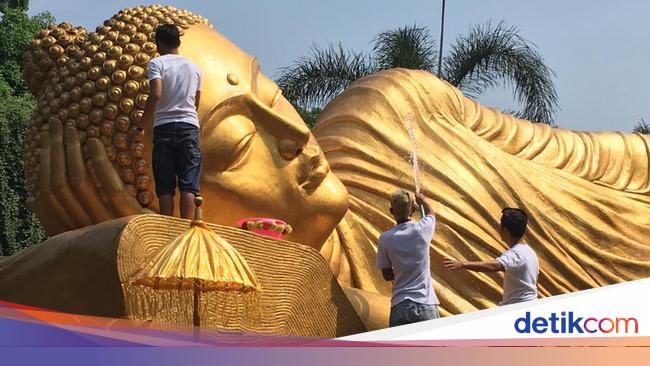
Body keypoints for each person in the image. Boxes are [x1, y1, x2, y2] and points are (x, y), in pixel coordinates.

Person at [139, 23, 202, 219]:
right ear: (178, 42)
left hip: (164, 127)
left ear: (159, 44)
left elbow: (156, 94)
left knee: (165, 186)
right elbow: (196, 102)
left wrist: (141, 125)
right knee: (189, 184)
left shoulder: (157, 64)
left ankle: (168, 229)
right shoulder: (194, 68)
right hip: (189, 126)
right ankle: (187, 228)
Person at [444, 208, 539, 305]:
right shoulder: (530, 252)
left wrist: (463, 264)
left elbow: (492, 266)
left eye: (500, 225)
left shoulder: (516, 254)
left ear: (505, 230)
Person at [376, 190, 440, 327]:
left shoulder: (385, 238)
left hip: (399, 304)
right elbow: (431, 214)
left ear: (391, 211)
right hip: (424, 301)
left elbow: (387, 275)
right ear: (413, 209)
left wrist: (401, 274)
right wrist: (422, 200)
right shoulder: (422, 229)